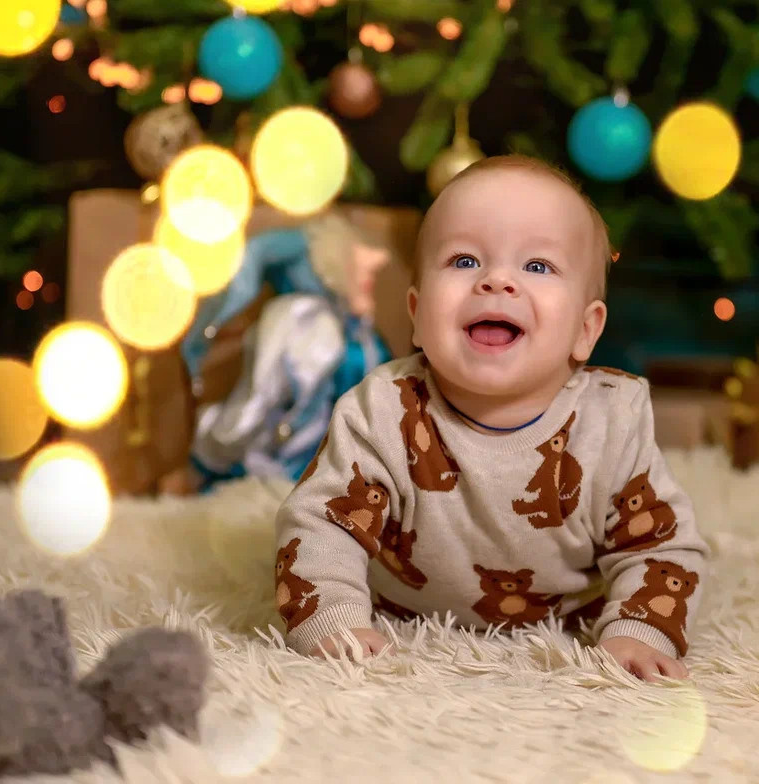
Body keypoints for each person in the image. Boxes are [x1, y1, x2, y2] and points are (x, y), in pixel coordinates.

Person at [273, 155, 710, 681]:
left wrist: (637, 631)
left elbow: (659, 545)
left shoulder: (611, 420)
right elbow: (323, 523)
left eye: (538, 266)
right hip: (404, 619)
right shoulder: (384, 410)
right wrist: (332, 618)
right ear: (416, 314)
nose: (497, 281)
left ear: (586, 330)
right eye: (463, 261)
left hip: (567, 621)